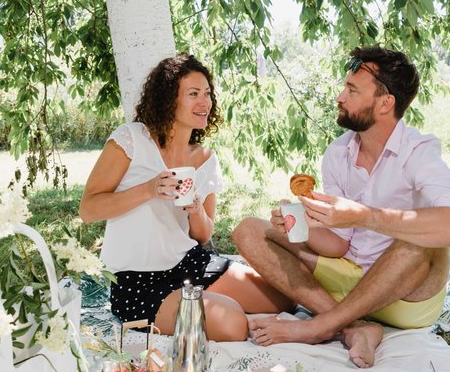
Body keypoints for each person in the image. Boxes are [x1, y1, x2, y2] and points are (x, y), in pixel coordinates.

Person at [232, 46, 450, 367]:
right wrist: (304, 226)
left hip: (404, 294)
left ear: (385, 103)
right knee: (249, 229)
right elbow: (338, 245)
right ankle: (353, 327)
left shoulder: (418, 152)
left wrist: (363, 216)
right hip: (348, 284)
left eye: (351, 90)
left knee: (425, 241)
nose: (339, 97)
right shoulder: (338, 153)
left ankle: (320, 325)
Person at [80, 53, 292, 342]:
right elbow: (89, 209)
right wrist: (149, 189)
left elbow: (203, 233)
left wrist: (194, 209)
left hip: (190, 263)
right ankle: (218, 308)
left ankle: (205, 299)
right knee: (231, 325)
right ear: (169, 99)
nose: (204, 102)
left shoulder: (204, 159)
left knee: (284, 299)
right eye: (193, 94)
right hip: (136, 281)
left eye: (207, 93)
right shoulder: (131, 140)